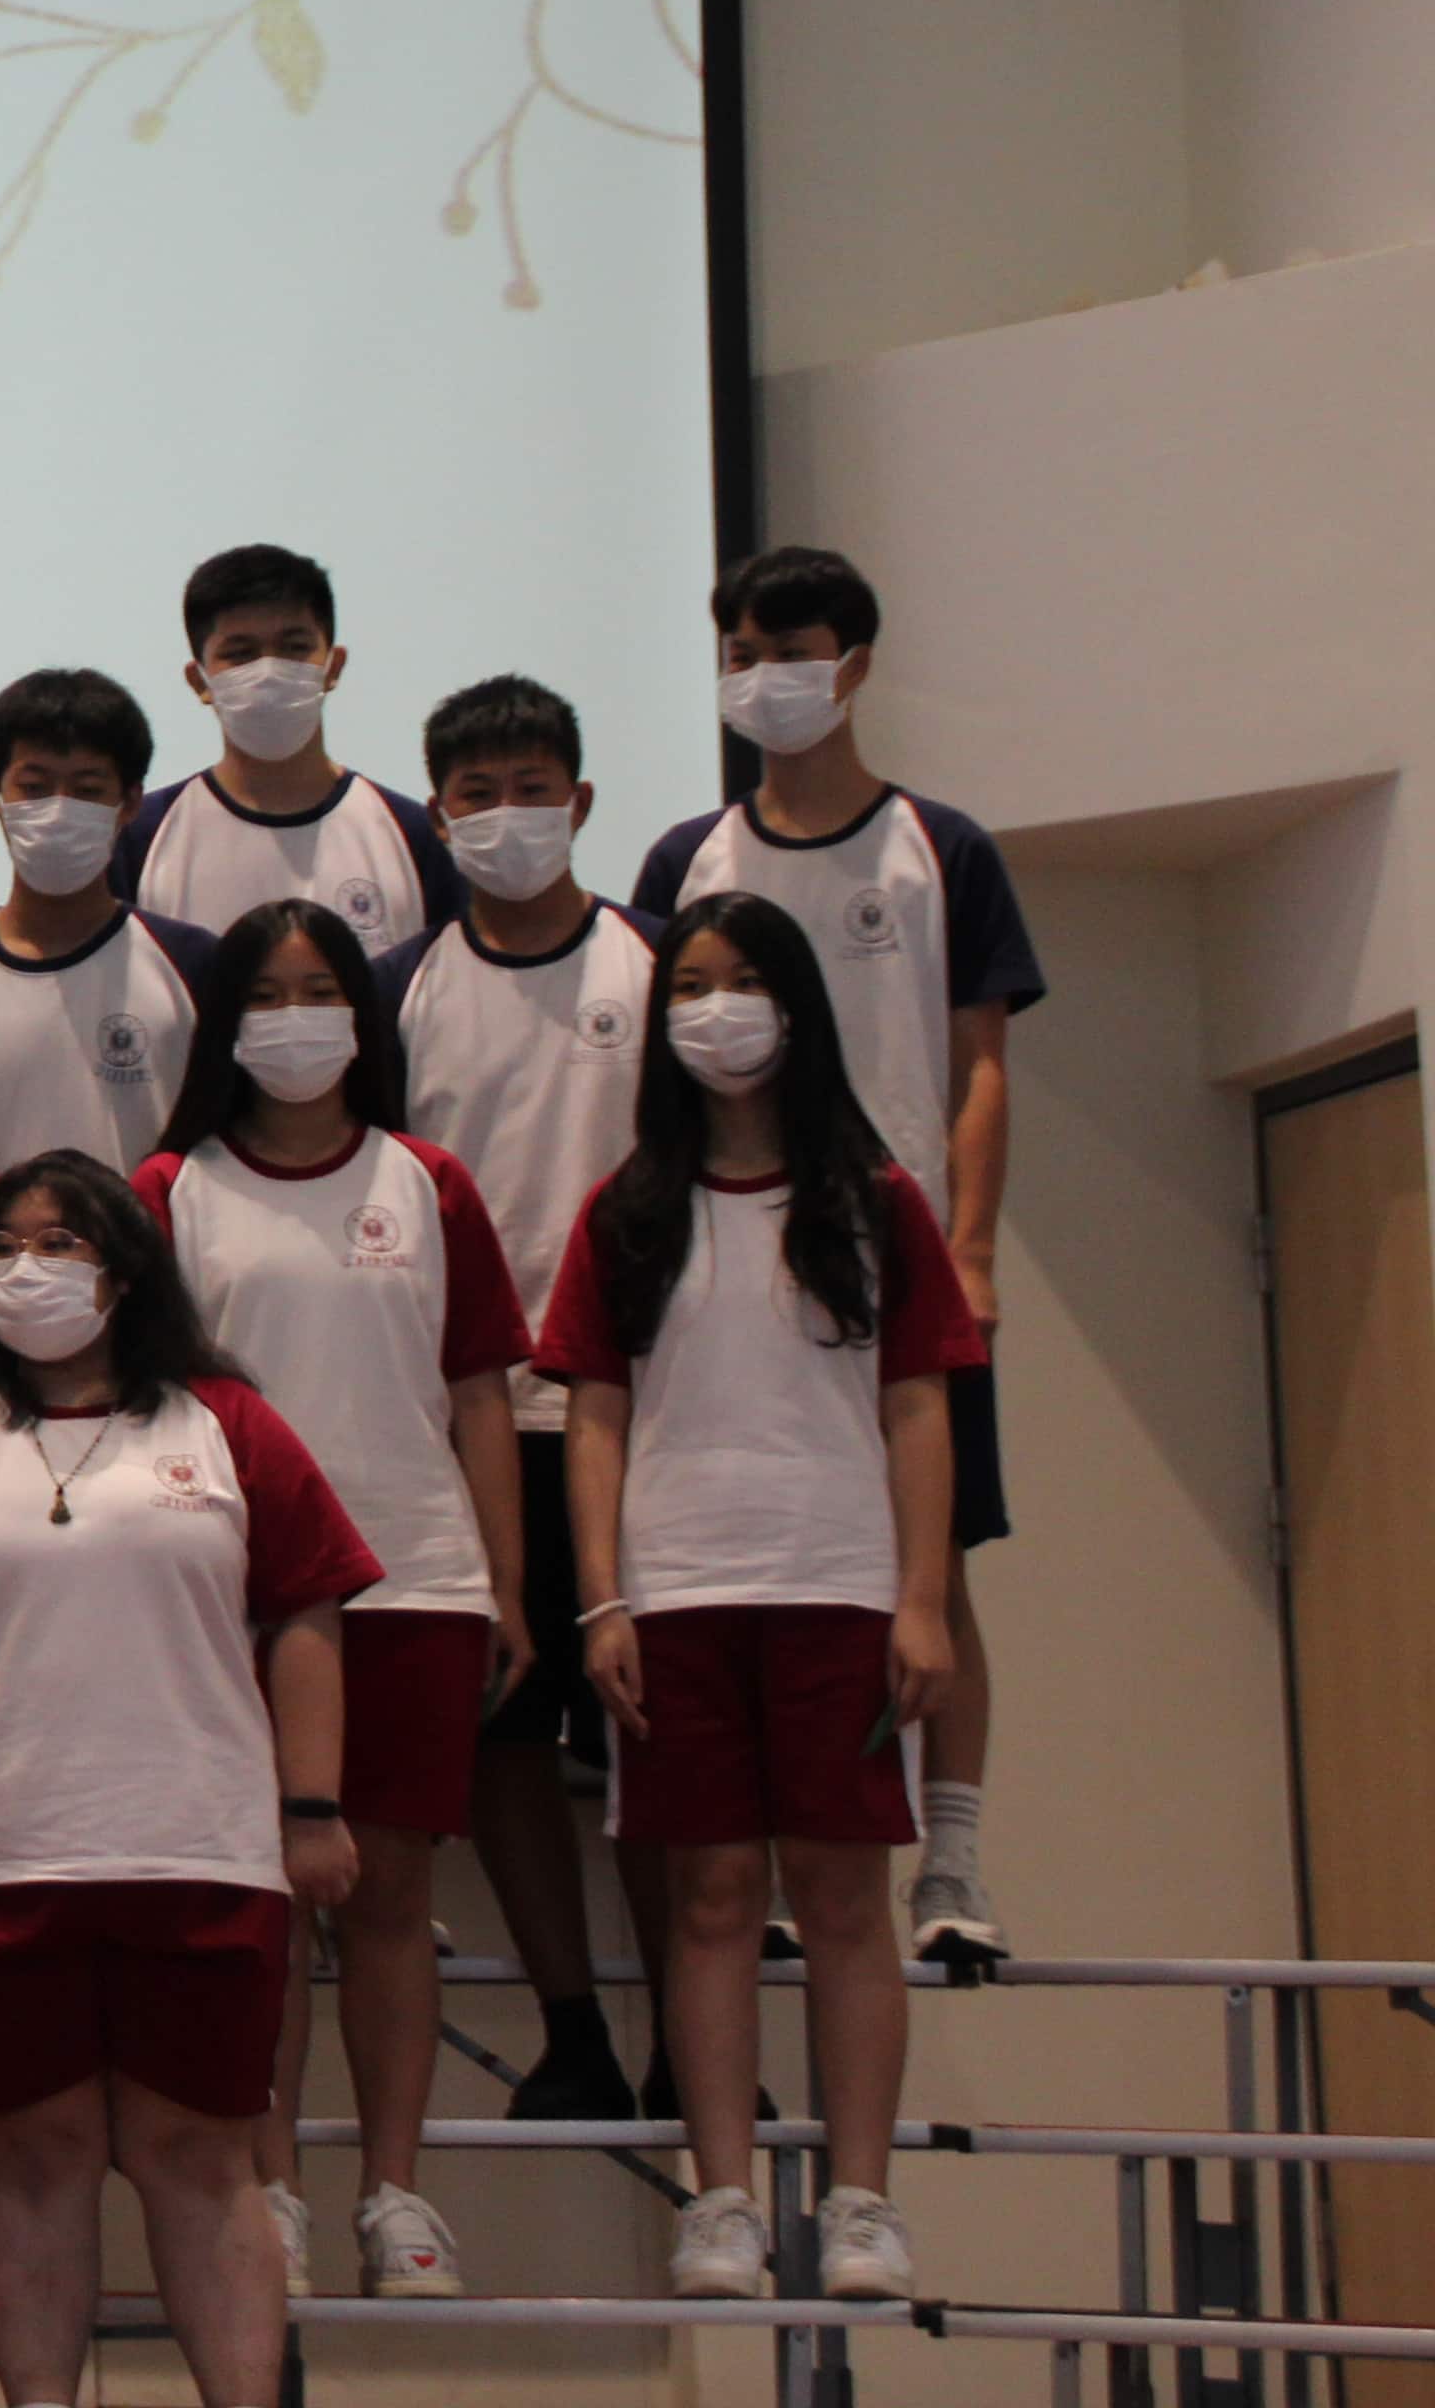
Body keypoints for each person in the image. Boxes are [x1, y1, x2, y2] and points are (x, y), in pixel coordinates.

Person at [0, 1152, 379, 2408]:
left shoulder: (225, 1424)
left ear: (125, 1271)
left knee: (201, 2155)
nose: (28, 1269)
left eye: (60, 1243)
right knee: (36, 2152)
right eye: (3, 1246)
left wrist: (312, 1806)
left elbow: (307, 1612)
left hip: (200, 1853)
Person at [538, 893, 979, 2308]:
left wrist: (922, 1600)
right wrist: (602, 1602)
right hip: (677, 1597)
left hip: (838, 1588)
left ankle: (862, 2201)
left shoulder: (876, 1200)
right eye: (689, 987)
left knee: (844, 1895)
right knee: (713, 1895)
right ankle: (720, 2200)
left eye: (740, 982)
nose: (713, 1010)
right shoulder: (627, 1211)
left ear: (795, 1006)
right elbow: (595, 1415)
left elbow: (917, 1407)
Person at [630, 544, 1044, 1961]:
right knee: (762, 1575)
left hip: (896, 1264)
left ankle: (955, 1865)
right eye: (739, 653)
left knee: (936, 1569)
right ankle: (782, 1875)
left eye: (791, 650)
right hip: (727, 1262)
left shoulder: (942, 846)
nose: (763, 676)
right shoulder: (687, 860)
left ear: (854, 664)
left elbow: (980, 1065)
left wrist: (969, 1251)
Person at [139, 901, 527, 2303]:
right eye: (266, 994)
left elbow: (479, 1393)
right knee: (258, 1904)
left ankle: (395, 2195)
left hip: (414, 1580)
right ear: (223, 1024)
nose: (294, 1019)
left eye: (321, 992)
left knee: (390, 1896)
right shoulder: (170, 1188)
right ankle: (275, 2192)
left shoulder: (430, 1182)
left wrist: (505, 1586)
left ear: (363, 1019)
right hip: (229, 1598)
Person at [376, 675, 662, 2121]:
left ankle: (689, 2045)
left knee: (653, 1742)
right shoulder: (399, 990)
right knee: (503, 1738)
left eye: (532, 790)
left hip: (639, 1417)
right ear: (437, 818)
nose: (506, 817)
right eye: (477, 796)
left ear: (582, 801)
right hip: (470, 1424)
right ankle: (575, 2033)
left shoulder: (660, 966)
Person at [0, 670, 224, 1174]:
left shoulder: (196, 969)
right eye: (34, 787)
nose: (58, 811)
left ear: (131, 802)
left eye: (87, 790)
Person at [127, 544, 462, 948]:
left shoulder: (414, 837)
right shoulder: (139, 839)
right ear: (199, 681)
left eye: (295, 647)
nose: (269, 671)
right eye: (241, 654)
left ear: (334, 667)